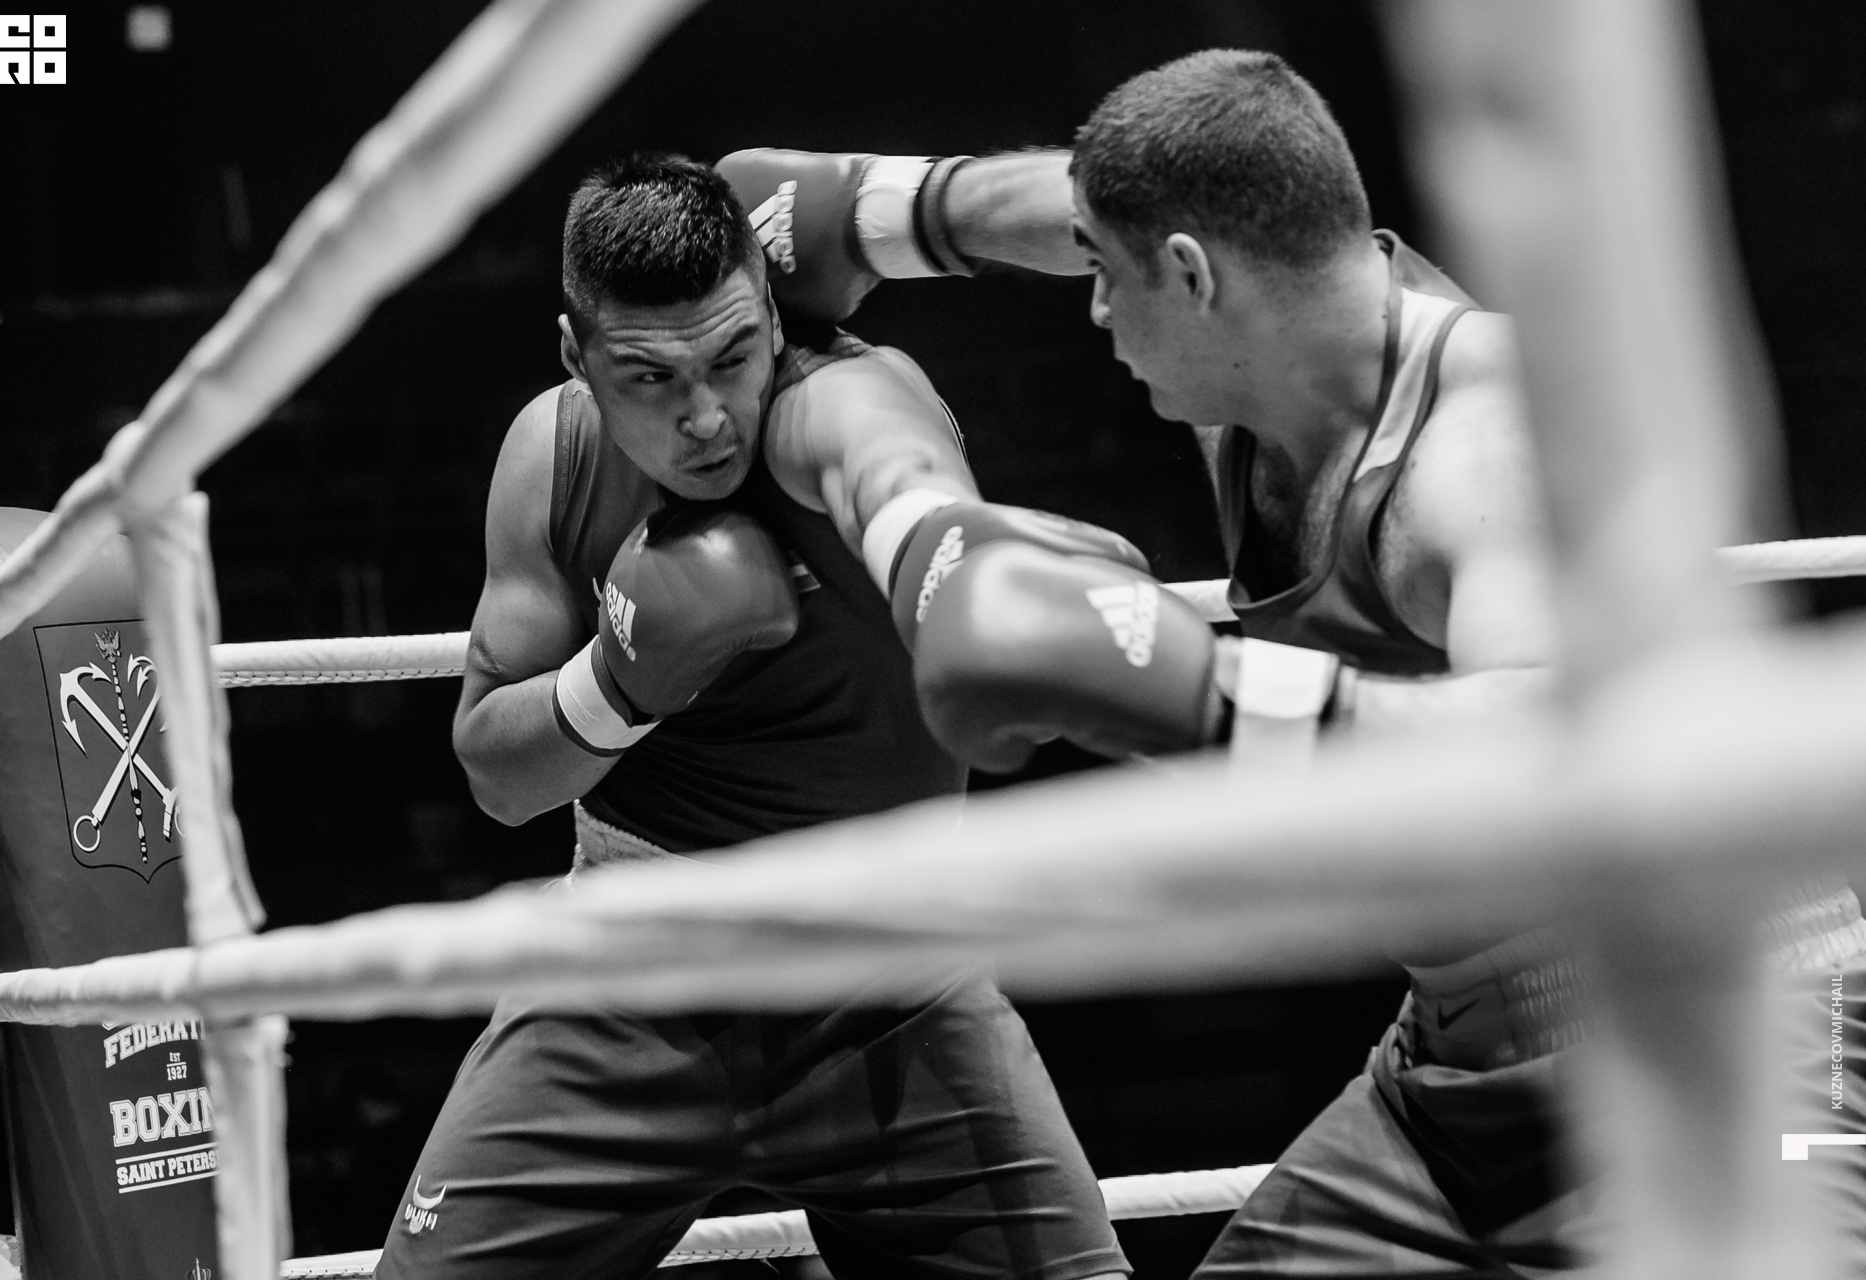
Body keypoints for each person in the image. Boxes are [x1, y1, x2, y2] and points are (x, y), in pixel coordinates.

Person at [724, 48, 1866, 1276]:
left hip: (1755, 1022)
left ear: (1192, 275)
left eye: (1106, 278)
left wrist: (1183, 690)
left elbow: (1558, 753)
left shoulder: (1481, 450)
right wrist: (877, 212)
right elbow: (1091, 203)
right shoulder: (1261, 337)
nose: (1093, 310)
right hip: (1455, 1073)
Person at [378, 150, 1232, 1280]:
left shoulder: (840, 394)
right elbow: (497, 778)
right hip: (630, 973)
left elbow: (897, 475)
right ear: (577, 357)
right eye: (649, 377)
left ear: (773, 318)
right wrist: (617, 684)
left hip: (894, 982)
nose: (704, 419)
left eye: (732, 357)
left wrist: (961, 565)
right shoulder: (556, 455)